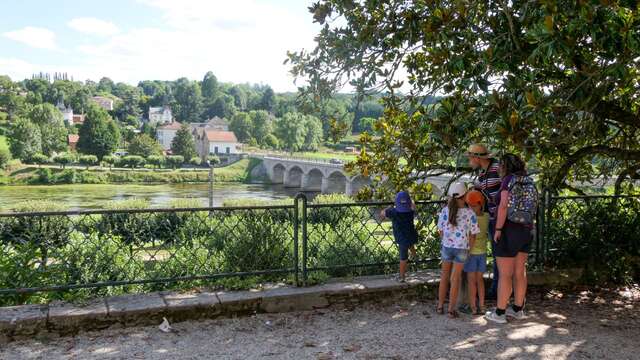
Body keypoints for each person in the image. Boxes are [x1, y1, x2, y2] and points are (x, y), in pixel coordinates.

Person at [485, 153, 536, 324]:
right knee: (520, 272)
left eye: (500, 165)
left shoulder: (508, 181)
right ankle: (518, 309)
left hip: (508, 229)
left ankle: (499, 313)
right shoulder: (528, 180)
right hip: (526, 230)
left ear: (506, 166)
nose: (498, 167)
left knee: (505, 274)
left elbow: (503, 206)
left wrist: (498, 229)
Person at [437, 182, 480, 318]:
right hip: (462, 248)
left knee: (444, 276)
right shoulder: (470, 213)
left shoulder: (445, 210)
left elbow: (440, 230)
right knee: (455, 279)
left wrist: (445, 240)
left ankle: (439, 306)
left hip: (447, 247)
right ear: (465, 195)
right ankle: (451, 310)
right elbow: (473, 235)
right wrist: (470, 250)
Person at [466, 144, 501, 299]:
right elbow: (480, 190)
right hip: (493, 218)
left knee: (499, 255)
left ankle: (497, 290)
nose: (469, 161)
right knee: (496, 254)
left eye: (470, 158)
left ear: (477, 158)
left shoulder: (497, 168)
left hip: (502, 219)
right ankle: (497, 289)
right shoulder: (482, 174)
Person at [380, 191, 418, 282]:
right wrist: (411, 201)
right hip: (411, 234)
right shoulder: (410, 212)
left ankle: (401, 277)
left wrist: (390, 207)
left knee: (403, 258)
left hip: (401, 238)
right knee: (410, 243)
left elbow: (382, 213)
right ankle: (415, 256)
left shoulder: (393, 211)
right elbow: (413, 206)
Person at [464, 190, 489, 315]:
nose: (471, 208)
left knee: (471, 281)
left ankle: (473, 307)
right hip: (483, 253)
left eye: (473, 205)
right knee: (480, 280)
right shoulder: (486, 217)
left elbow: (470, 236)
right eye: (470, 205)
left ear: (480, 204)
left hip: (471, 253)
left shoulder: (469, 219)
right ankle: (482, 306)